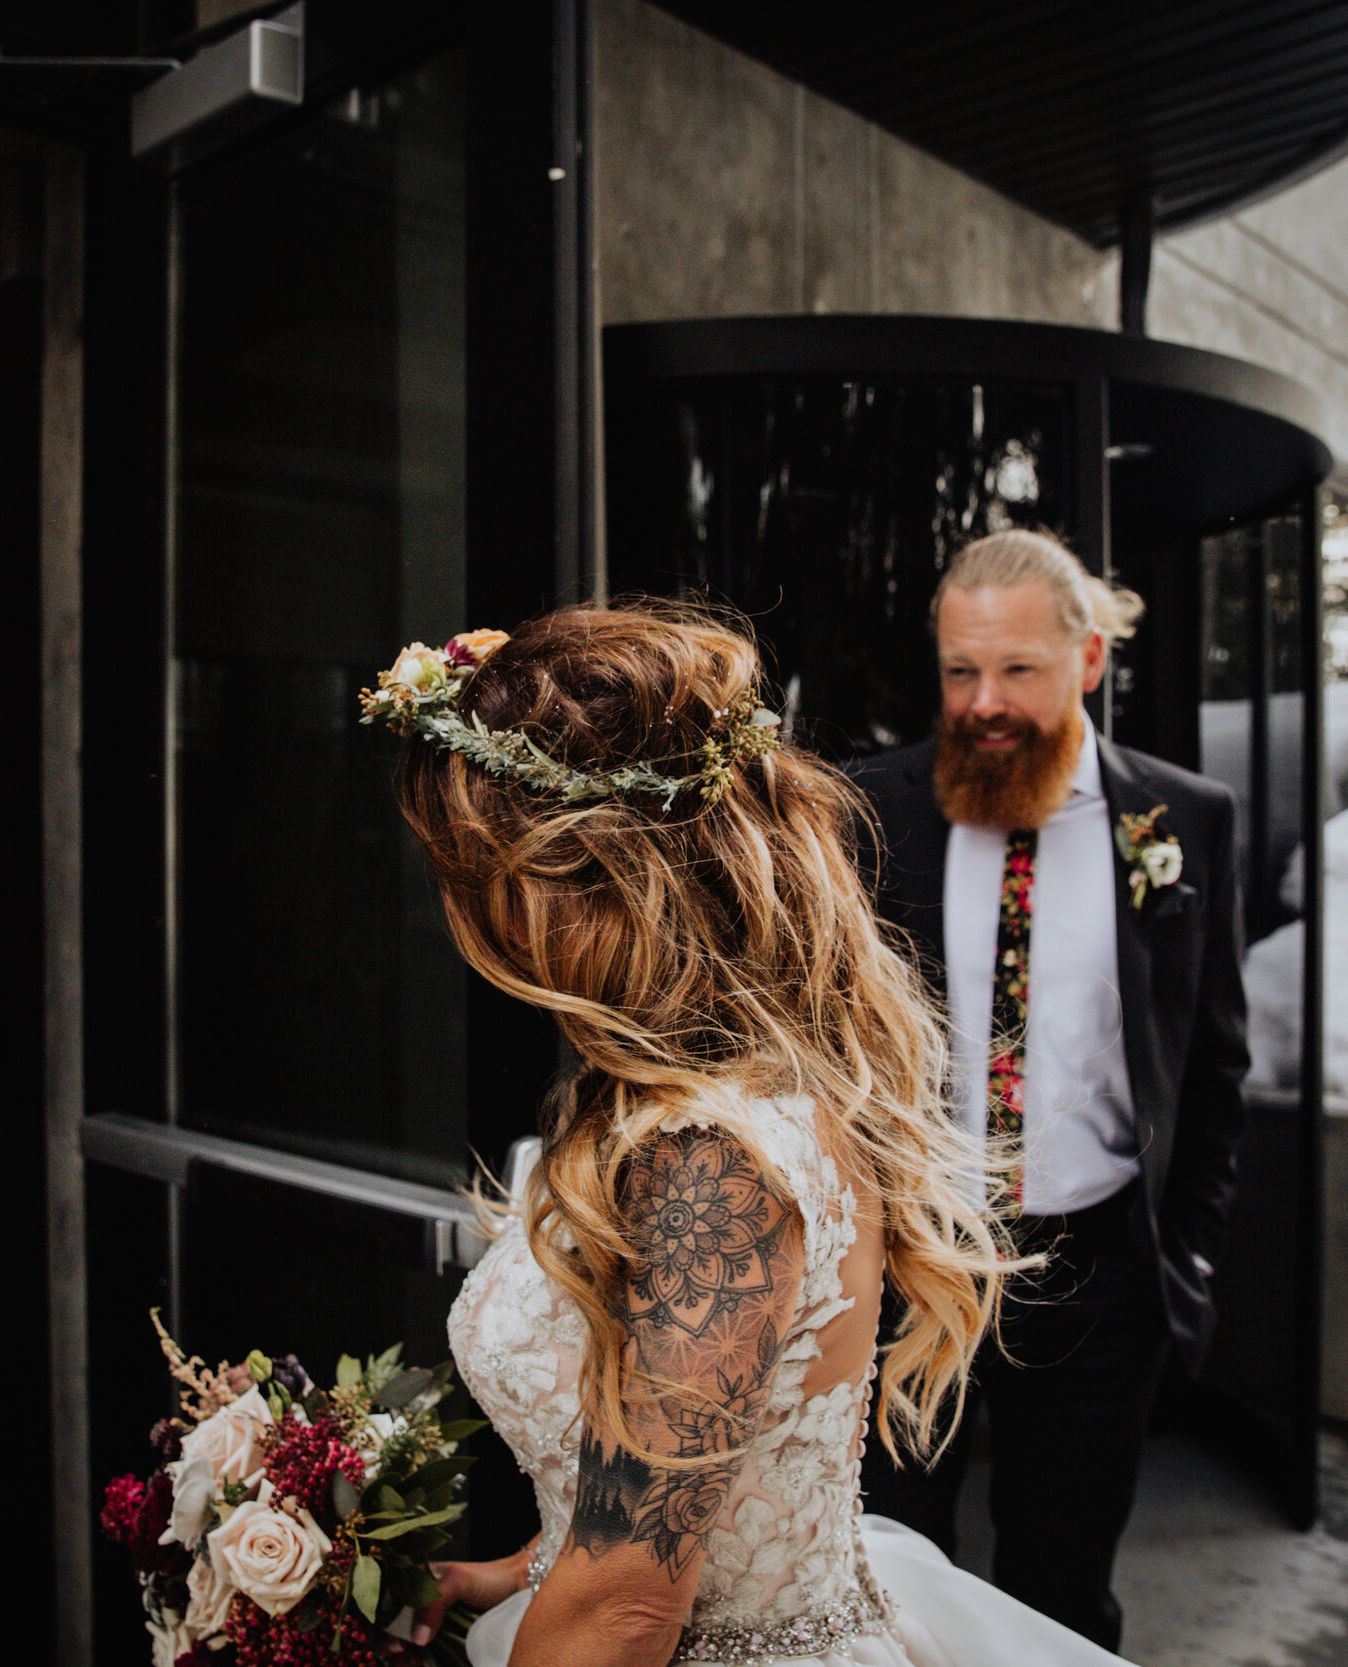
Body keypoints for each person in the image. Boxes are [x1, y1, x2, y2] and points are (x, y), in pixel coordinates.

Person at [362, 602, 1132, 1666]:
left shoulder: (708, 1160)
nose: (470, 909)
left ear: (581, 878)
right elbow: (667, 1462)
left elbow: (629, 1608)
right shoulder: (689, 1091)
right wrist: (508, 1574)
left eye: (478, 870)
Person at [851, 530, 1250, 1652]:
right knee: (885, 1564)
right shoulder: (863, 808)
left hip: (1098, 1269)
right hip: (914, 1259)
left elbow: (1213, 1064)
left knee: (1060, 1585)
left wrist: (1186, 1255)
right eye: (958, 670)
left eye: (1017, 669)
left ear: (1086, 661)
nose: (983, 702)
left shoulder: (1182, 822)